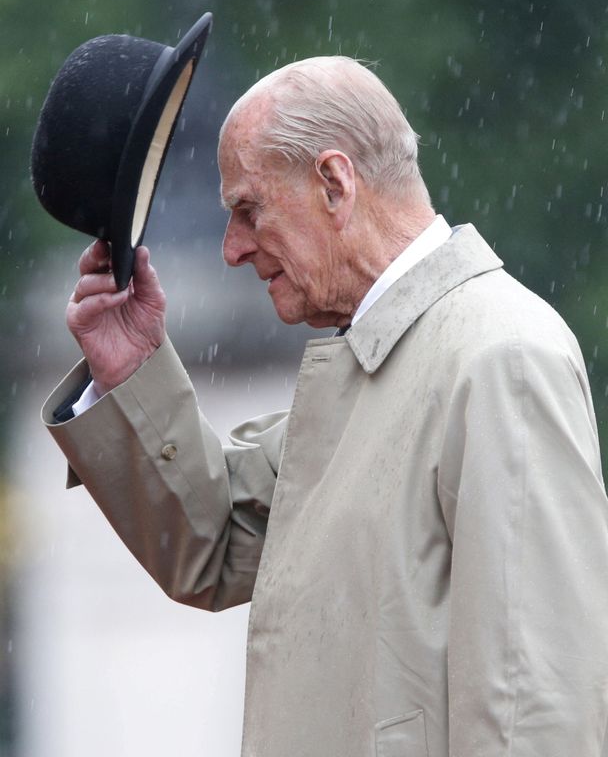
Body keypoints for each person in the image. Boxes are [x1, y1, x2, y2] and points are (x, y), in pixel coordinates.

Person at [43, 57, 608, 757]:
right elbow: (211, 546)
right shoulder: (389, 357)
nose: (231, 250)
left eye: (248, 210)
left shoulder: (499, 354)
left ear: (335, 184)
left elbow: (536, 709)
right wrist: (130, 371)